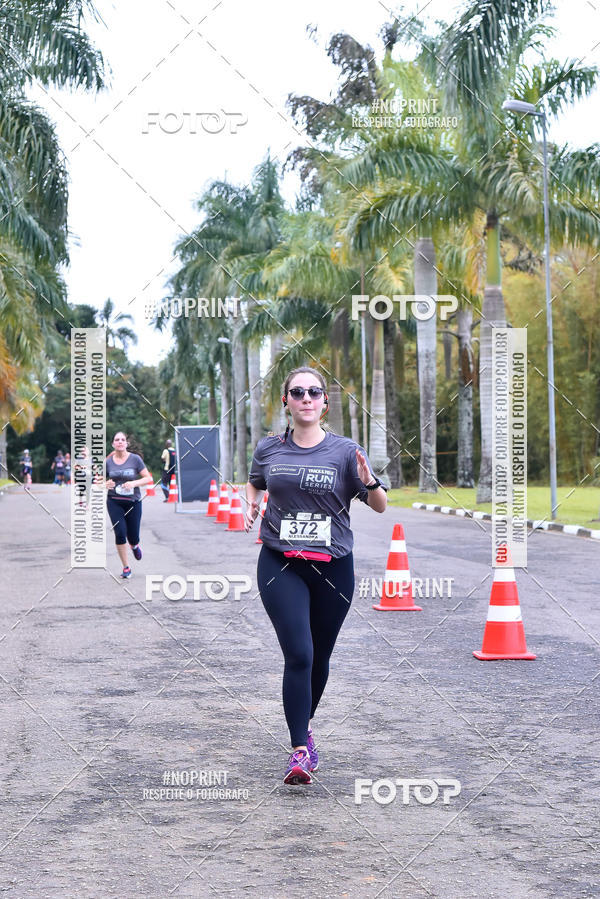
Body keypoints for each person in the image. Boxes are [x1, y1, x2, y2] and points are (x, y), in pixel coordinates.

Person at [245, 366, 387, 786]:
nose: (306, 398)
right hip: (280, 562)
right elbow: (254, 483)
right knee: (300, 653)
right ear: (286, 401)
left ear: (325, 402)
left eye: (314, 392)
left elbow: (378, 505)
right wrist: (249, 502)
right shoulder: (269, 448)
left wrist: (370, 481)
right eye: (297, 392)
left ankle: (303, 724)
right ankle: (300, 750)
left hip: (333, 568)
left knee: (320, 657)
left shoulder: (346, 451)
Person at [105, 432, 152, 578]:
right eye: (117, 440)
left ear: (126, 444)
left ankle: (135, 545)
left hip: (133, 502)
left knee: (133, 536)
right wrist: (105, 484)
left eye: (122, 440)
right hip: (114, 501)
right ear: (113, 444)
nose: (120, 442)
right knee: (120, 533)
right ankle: (126, 567)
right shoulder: (108, 462)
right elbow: (97, 481)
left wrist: (134, 483)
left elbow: (148, 478)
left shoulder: (135, 459)